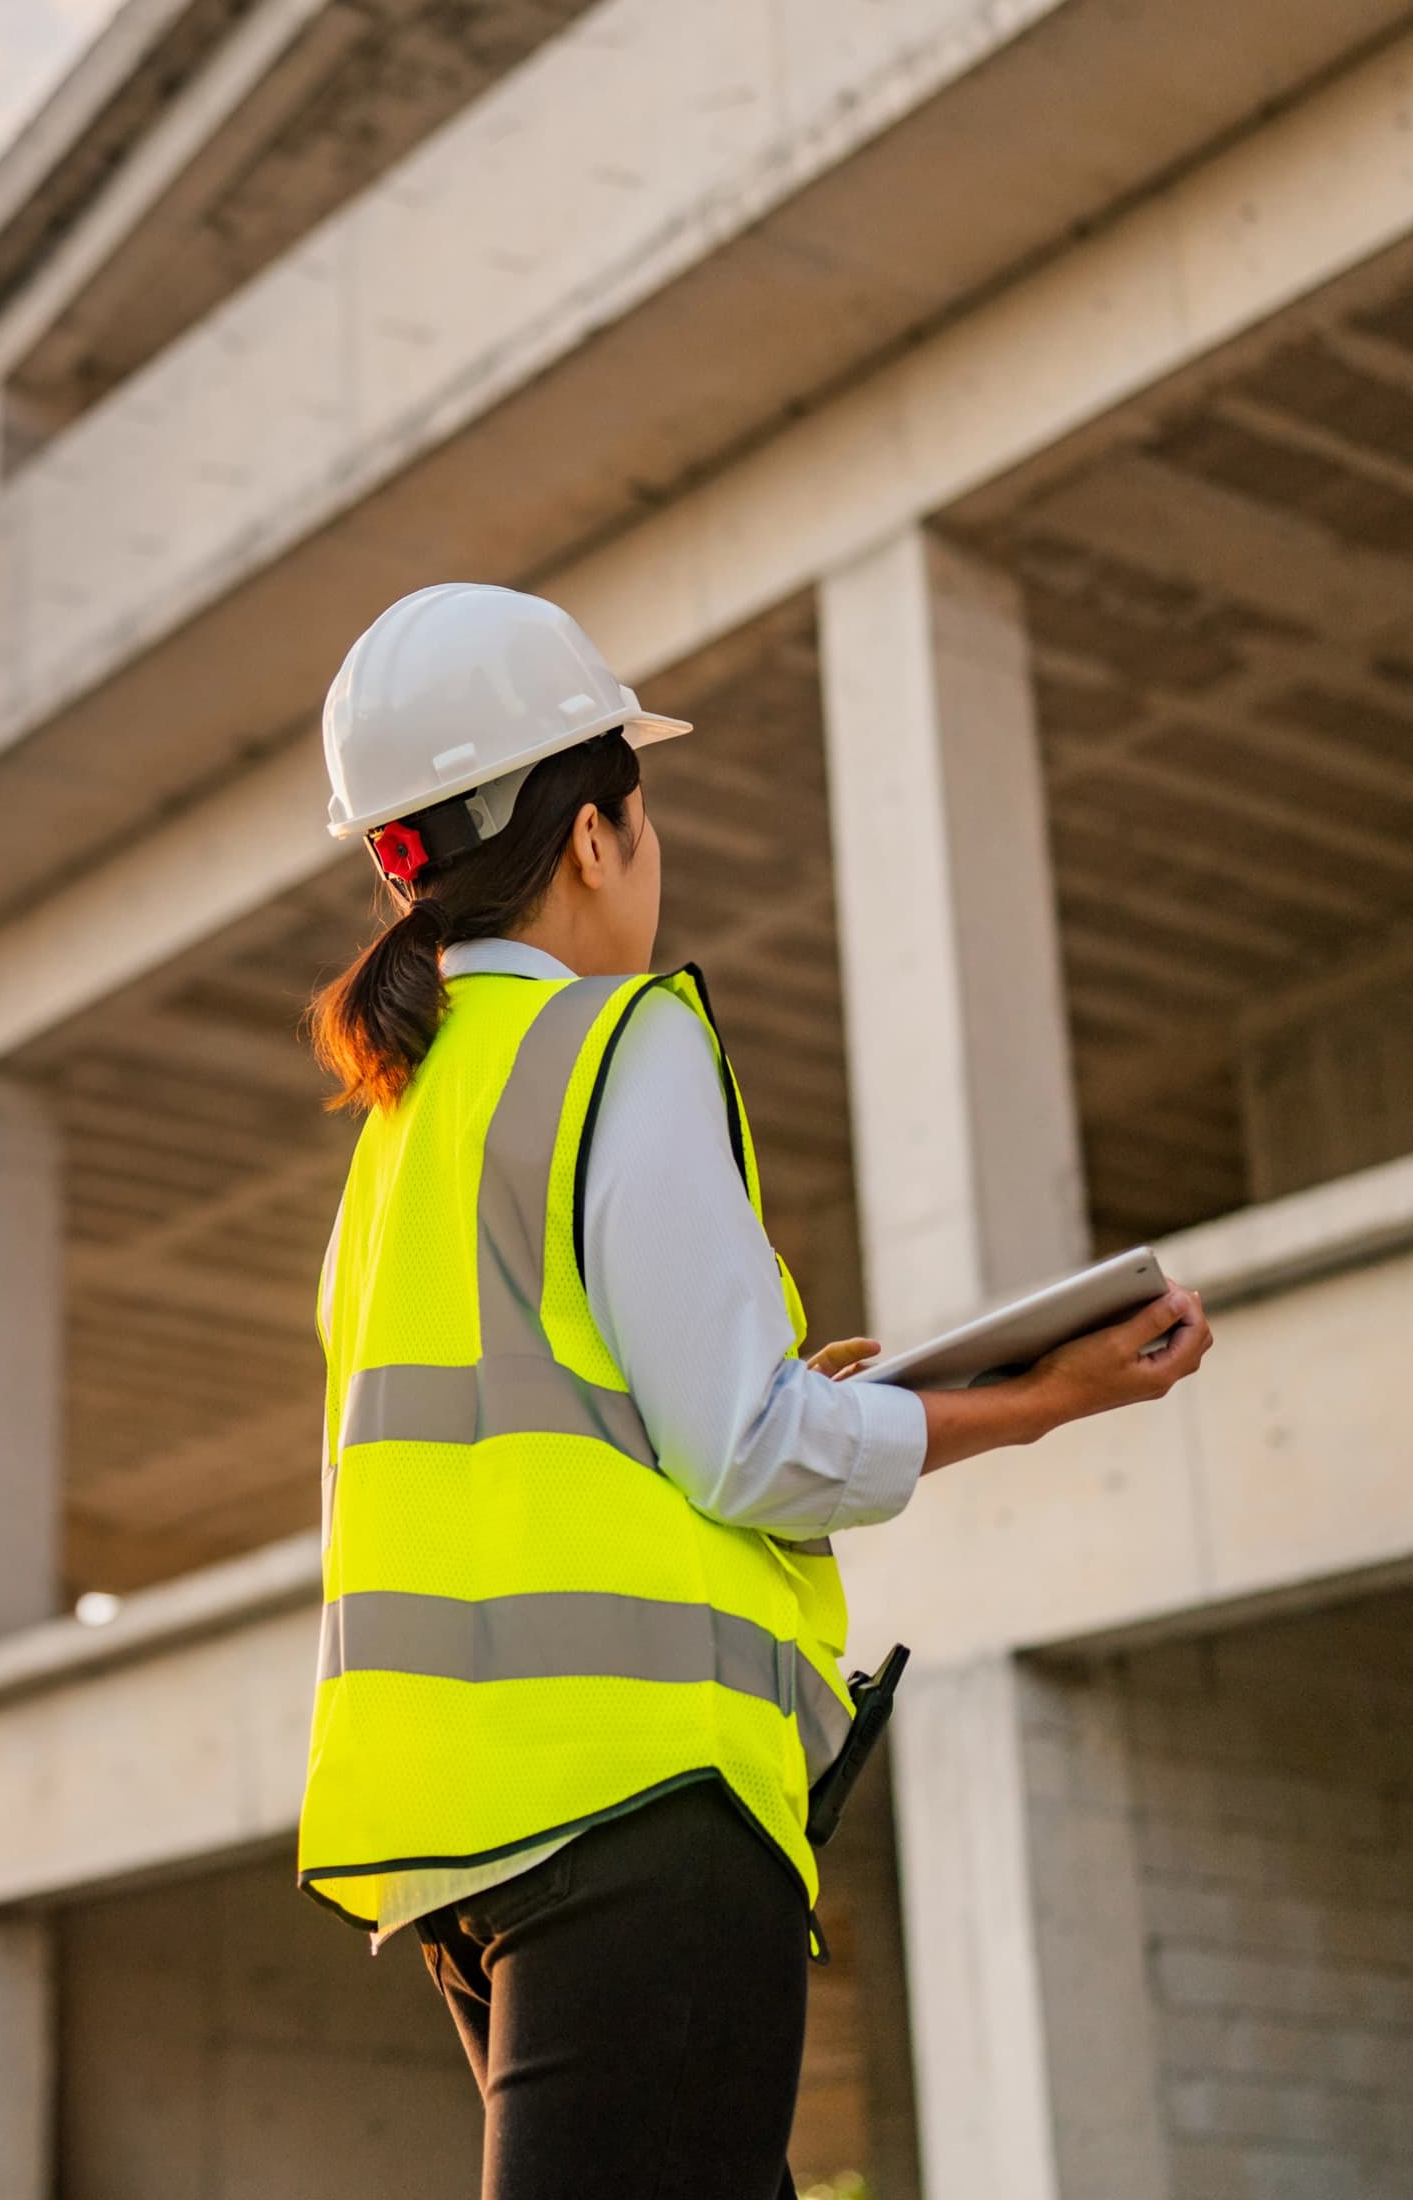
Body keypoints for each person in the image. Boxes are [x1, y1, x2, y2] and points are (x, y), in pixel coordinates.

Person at [293, 582, 1212, 2200]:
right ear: (594, 837)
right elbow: (752, 1449)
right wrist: (1045, 1398)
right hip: (642, 1821)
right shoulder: (614, 1045)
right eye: (640, 816)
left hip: (464, 1853)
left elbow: (562, 1429)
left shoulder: (399, 1138)